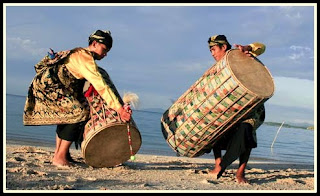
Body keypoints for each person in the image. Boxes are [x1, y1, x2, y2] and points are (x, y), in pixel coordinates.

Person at [23, 29, 132, 167]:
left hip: (56, 87)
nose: (105, 54)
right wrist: (119, 108)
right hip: (50, 87)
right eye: (104, 49)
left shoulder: (81, 54)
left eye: (107, 52)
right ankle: (59, 157)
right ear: (94, 44)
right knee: (79, 113)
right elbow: (101, 84)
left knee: (66, 116)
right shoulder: (84, 58)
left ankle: (61, 153)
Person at [207, 35, 266, 184]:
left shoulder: (239, 56)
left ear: (224, 47)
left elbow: (262, 46)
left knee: (246, 131)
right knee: (214, 127)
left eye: (214, 49)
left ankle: (240, 173)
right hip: (230, 110)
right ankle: (218, 165)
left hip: (251, 109)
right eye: (210, 51)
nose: (212, 53)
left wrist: (249, 48)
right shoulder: (217, 69)